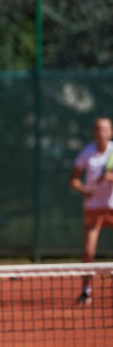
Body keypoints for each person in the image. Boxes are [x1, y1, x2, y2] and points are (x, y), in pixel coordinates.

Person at [68, 117, 113, 306]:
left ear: (110, 132)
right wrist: (85, 190)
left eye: (104, 129)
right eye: (97, 129)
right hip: (93, 209)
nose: (100, 132)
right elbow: (74, 180)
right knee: (88, 252)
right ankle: (86, 291)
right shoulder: (87, 153)